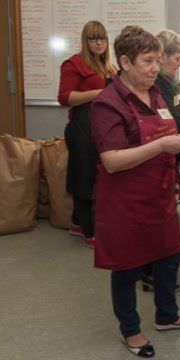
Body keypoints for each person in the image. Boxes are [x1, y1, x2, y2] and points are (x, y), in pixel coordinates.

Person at [89, 26, 180, 358]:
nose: (156, 68)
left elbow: (167, 130)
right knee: (127, 268)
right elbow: (111, 161)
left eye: (157, 60)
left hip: (159, 194)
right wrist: (162, 145)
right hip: (125, 202)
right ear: (125, 62)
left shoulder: (154, 95)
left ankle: (167, 316)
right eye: (148, 61)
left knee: (170, 258)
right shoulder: (107, 104)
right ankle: (131, 330)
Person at [141, 29, 180, 292]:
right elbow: (163, 122)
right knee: (155, 217)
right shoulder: (156, 86)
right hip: (158, 156)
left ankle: (153, 269)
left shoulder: (169, 83)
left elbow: (172, 116)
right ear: (162, 58)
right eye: (177, 58)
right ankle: (150, 271)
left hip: (168, 153)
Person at [57, 20, 117, 247]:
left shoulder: (107, 66)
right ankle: (90, 233)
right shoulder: (74, 64)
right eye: (93, 38)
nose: (99, 43)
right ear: (86, 41)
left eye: (102, 38)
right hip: (82, 127)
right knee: (84, 179)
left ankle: (76, 224)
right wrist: (98, 93)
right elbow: (64, 98)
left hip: (100, 126)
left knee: (94, 174)